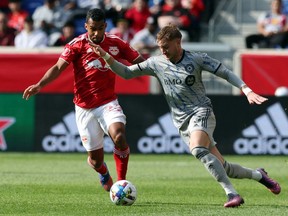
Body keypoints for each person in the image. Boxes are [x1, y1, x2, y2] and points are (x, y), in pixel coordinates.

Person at [90, 24, 281, 207]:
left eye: (165, 47)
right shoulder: (157, 63)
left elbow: (224, 72)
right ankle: (259, 175)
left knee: (197, 149)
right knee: (225, 167)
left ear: (178, 42)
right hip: (182, 122)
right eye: (160, 47)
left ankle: (232, 194)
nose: (162, 51)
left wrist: (246, 90)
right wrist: (106, 56)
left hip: (201, 112)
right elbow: (125, 72)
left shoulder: (196, 59)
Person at [23, 8, 145, 192]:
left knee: (119, 136)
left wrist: (156, 69)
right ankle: (103, 172)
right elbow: (58, 67)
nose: (96, 33)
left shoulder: (116, 43)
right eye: (92, 28)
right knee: (96, 160)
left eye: (99, 28)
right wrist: (40, 84)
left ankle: (121, 183)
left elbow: (139, 61)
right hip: (84, 107)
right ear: (86, 26)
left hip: (108, 102)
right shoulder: (77, 44)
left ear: (105, 26)